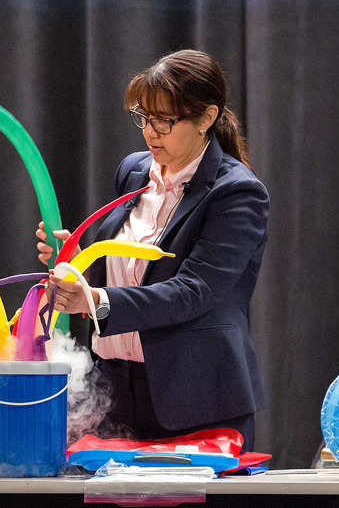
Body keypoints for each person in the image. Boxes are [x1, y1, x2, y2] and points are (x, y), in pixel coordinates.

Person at [38, 50, 268, 452]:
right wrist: (78, 262)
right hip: (113, 387)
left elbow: (194, 290)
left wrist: (96, 301)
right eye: (143, 117)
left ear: (206, 118)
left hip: (193, 397)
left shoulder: (237, 191)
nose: (150, 131)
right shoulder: (133, 170)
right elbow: (130, 268)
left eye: (165, 120)